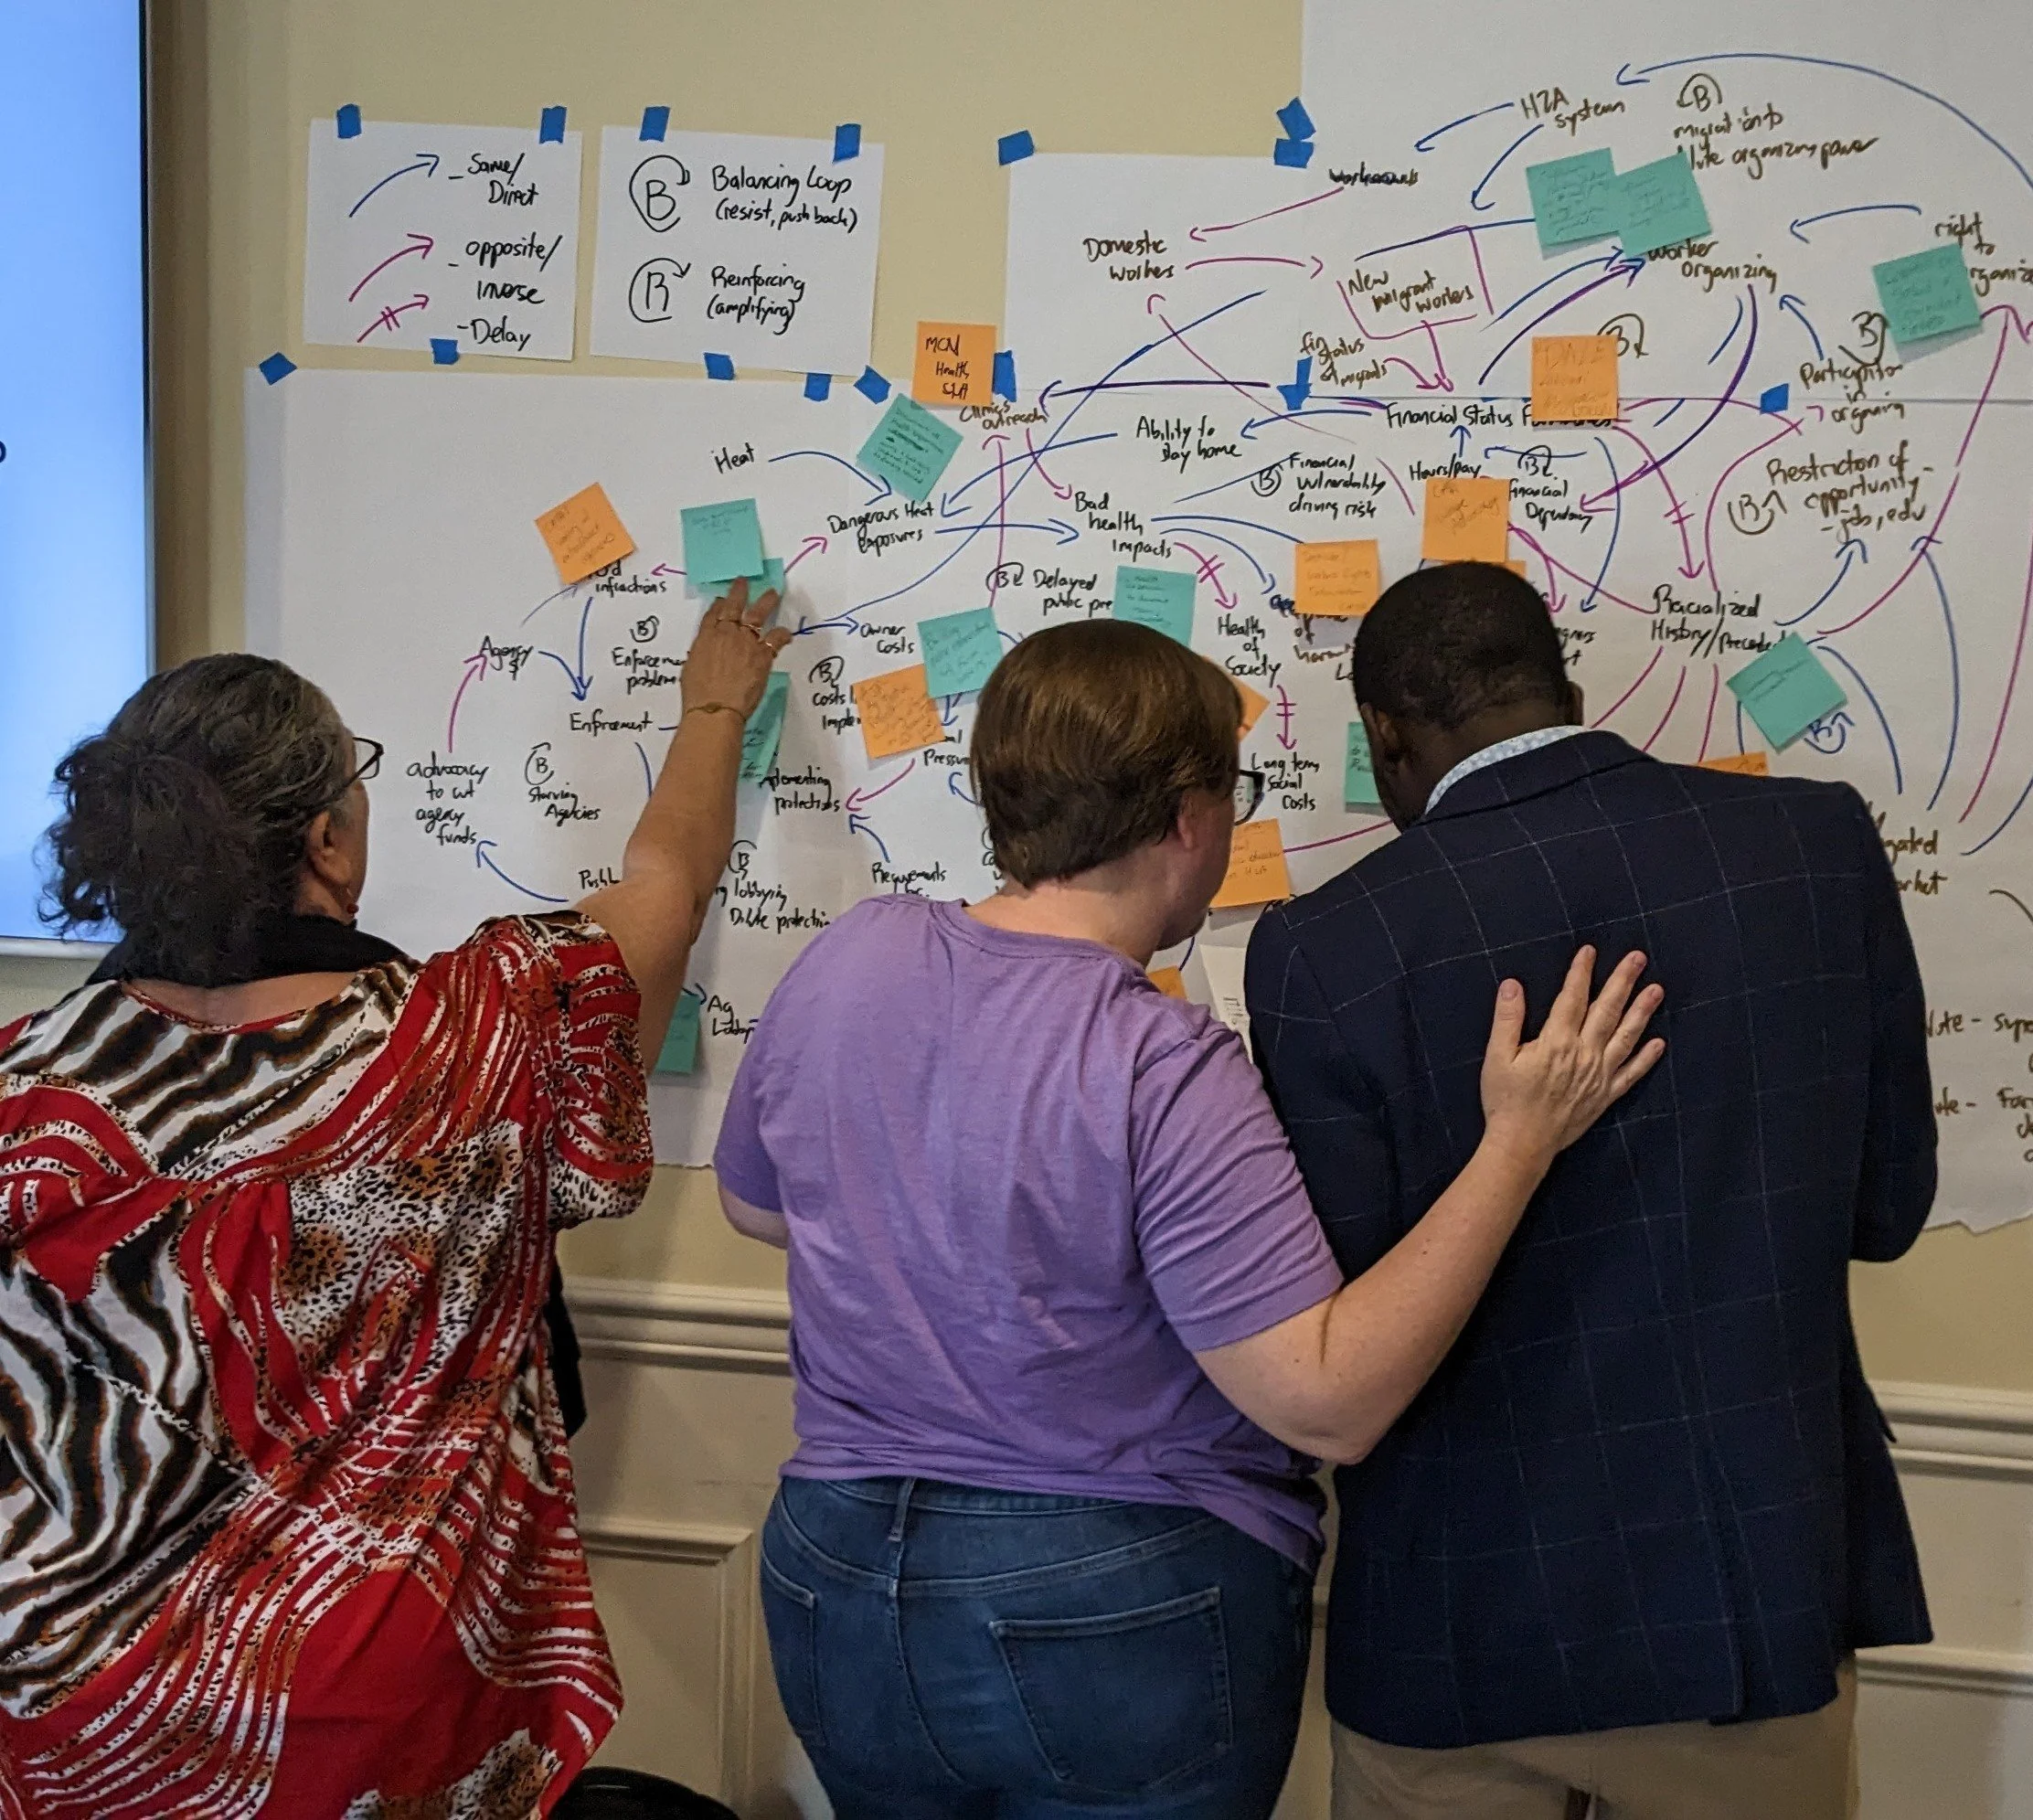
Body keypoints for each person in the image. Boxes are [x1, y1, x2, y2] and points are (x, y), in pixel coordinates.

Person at [712, 619, 1665, 1820]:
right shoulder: (1158, 1057)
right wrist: (1518, 1142)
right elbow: (1325, 1394)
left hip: (834, 1574)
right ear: (1187, 818)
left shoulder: (855, 955)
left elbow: (756, 1202)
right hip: (1110, 1597)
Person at [0, 581, 790, 1818]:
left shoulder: (24, 1090)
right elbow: (666, 886)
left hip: (84, 1703)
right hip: (384, 1702)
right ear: (326, 839)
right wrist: (710, 708)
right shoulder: (482, 1032)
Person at [1246, 562, 1936, 1820]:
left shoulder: (1325, 947)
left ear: (1385, 740)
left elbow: (1341, 1318)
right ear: (1565, 686)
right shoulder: (1815, 848)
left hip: (1455, 1621)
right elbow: (1887, 1208)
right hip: (1742, 1594)